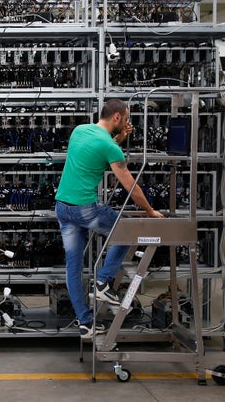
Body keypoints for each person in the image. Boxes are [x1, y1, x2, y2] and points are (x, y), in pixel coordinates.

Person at [55, 98, 164, 338]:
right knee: (125, 231)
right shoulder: (110, 148)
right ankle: (103, 282)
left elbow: (95, 151)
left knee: (73, 268)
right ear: (116, 117)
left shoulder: (80, 130)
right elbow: (131, 186)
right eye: (125, 119)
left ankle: (86, 323)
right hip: (85, 208)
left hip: (63, 207)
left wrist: (118, 141)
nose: (125, 123)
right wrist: (149, 211)